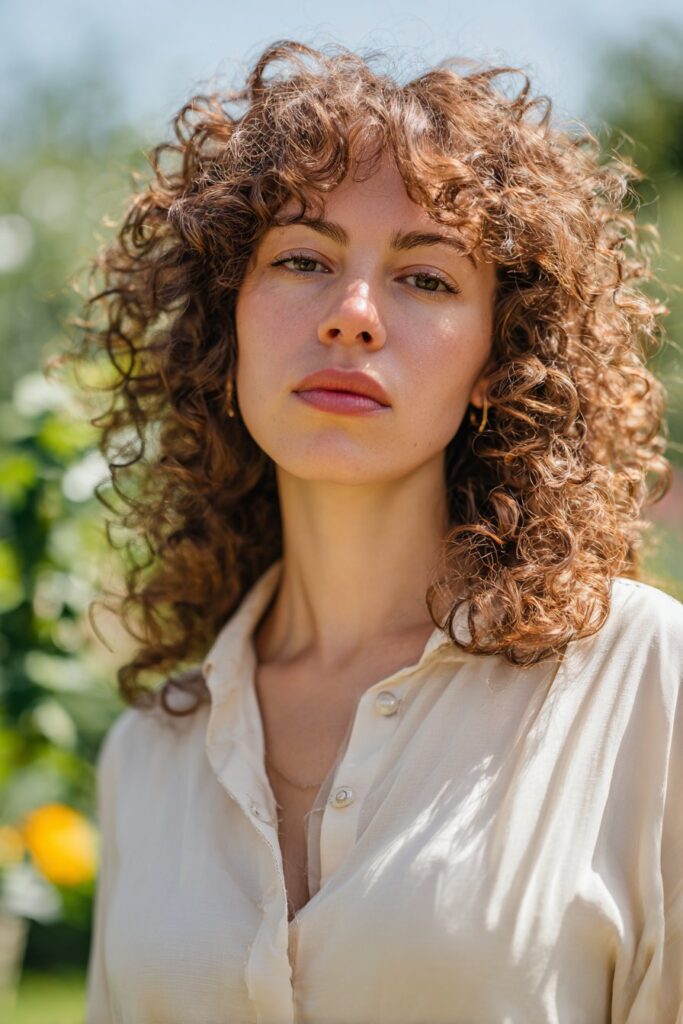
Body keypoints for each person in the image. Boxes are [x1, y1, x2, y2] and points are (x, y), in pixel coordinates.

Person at [71, 38, 682, 1024]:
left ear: (497, 357)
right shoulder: (150, 750)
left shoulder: (644, 683)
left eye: (427, 278)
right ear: (227, 325)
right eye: (302, 259)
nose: (351, 315)